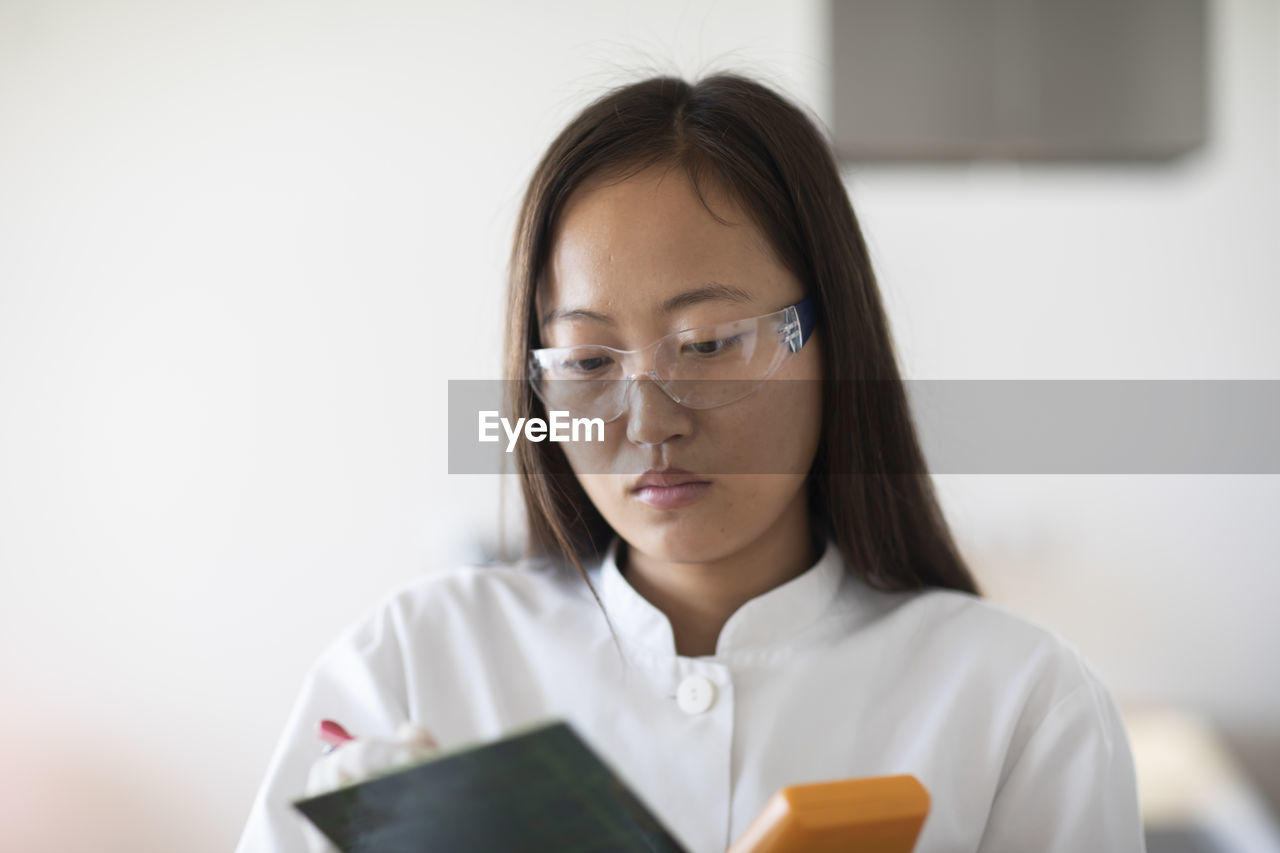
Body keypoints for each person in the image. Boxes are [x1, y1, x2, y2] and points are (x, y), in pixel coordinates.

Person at [235, 72, 1146, 853]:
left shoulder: (1018, 702)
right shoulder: (415, 663)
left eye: (707, 344)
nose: (649, 421)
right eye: (589, 362)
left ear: (833, 338)